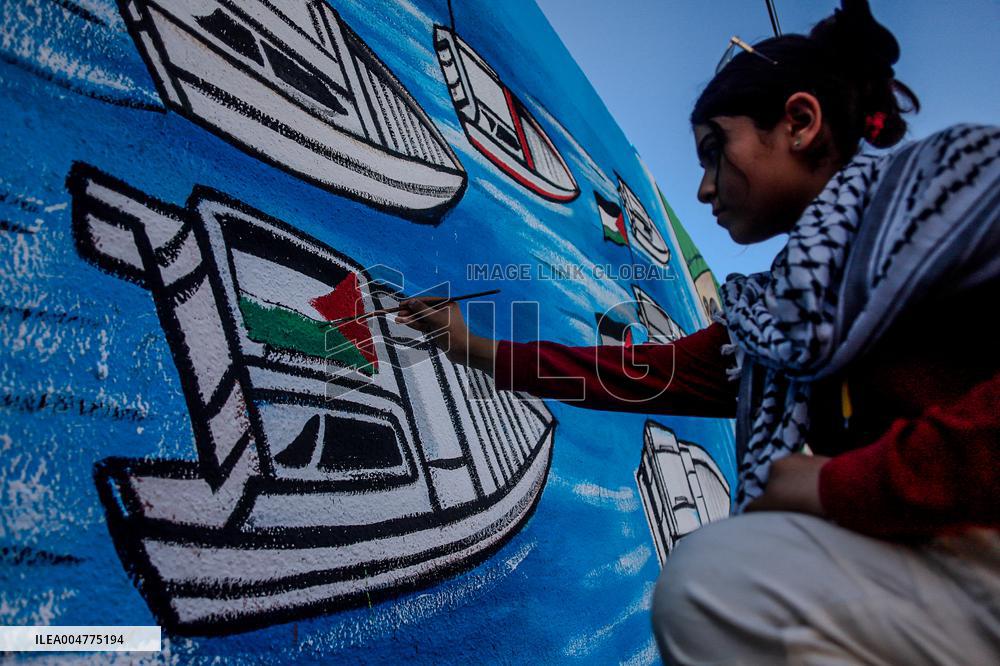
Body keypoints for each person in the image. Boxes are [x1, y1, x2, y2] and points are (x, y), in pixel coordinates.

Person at [395, 1, 999, 662]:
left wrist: (837, 485)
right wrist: (474, 346)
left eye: (716, 151)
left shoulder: (962, 187)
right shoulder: (773, 324)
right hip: (919, 585)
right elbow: (630, 374)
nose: (706, 189)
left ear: (800, 122)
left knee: (712, 583)